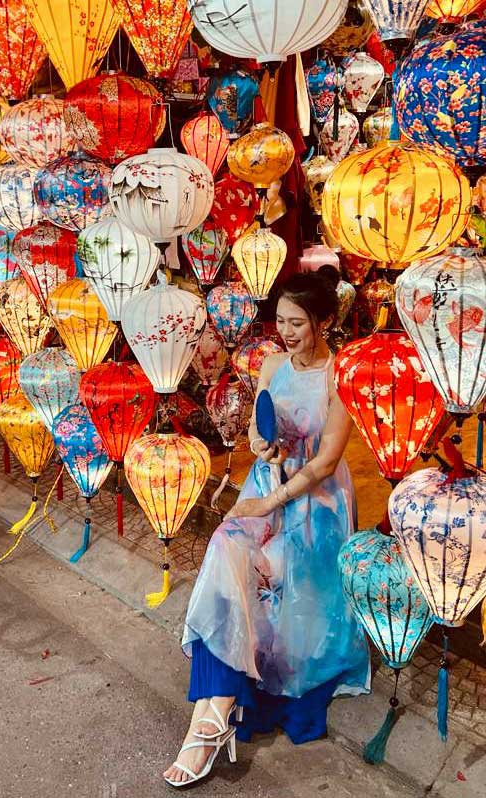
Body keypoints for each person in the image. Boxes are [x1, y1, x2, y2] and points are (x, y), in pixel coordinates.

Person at [163, 271, 371, 788]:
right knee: (223, 551)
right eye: (279, 320)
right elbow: (261, 425)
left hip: (312, 505)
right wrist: (261, 446)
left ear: (323, 321)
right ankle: (212, 712)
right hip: (267, 483)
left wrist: (265, 503)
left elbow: (324, 464)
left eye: (297, 322)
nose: (286, 331)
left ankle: (212, 719)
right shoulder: (272, 363)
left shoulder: (338, 375)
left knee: (269, 568)